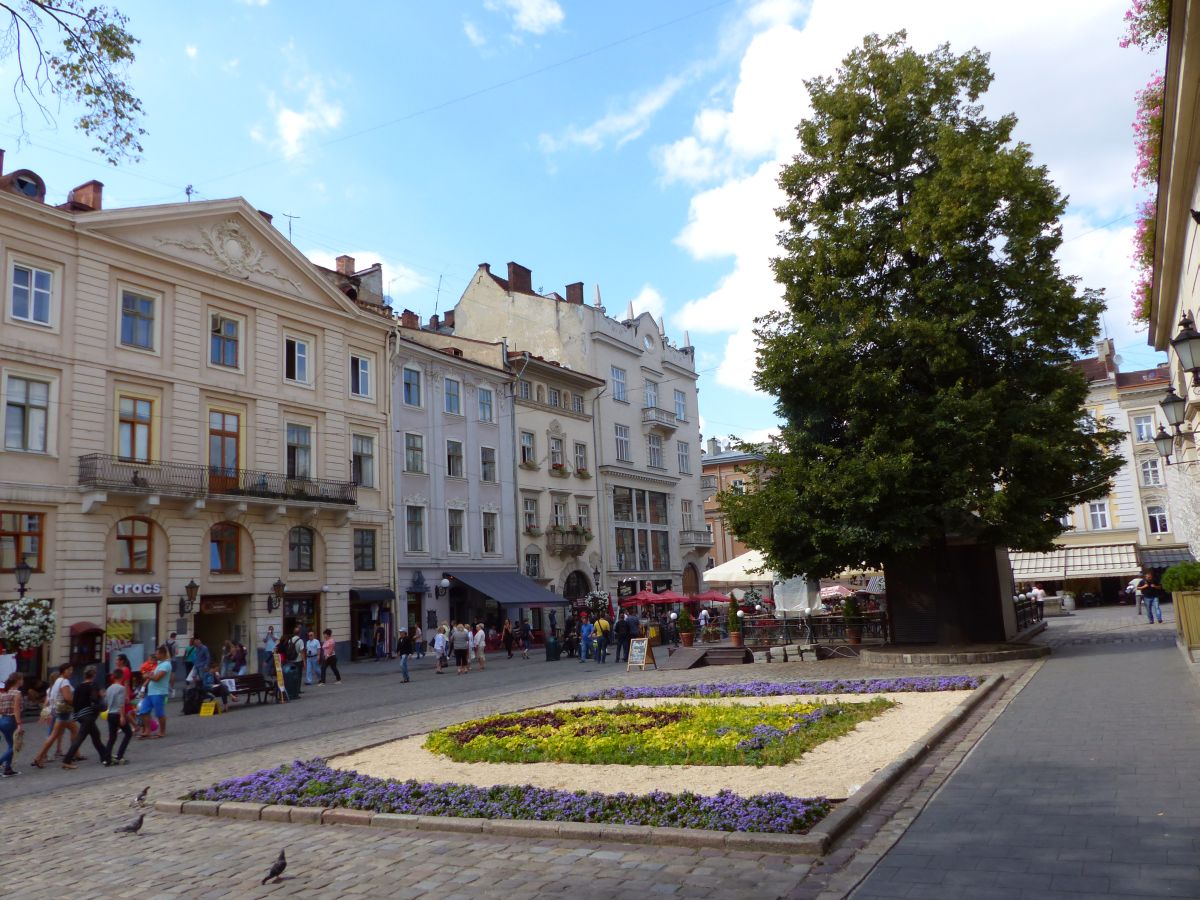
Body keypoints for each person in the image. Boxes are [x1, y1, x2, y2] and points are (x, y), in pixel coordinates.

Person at [61, 665, 110, 769]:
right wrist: (102, 696)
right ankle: (67, 760)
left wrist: (76, 714)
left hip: (80, 715)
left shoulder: (79, 686)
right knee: (80, 737)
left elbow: (74, 701)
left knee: (96, 735)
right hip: (88, 715)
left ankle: (105, 756)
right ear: (94, 674)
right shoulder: (93, 685)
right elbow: (95, 700)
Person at [32, 663, 77, 768]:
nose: (71, 672)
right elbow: (67, 698)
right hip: (64, 712)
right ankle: (69, 759)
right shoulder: (64, 681)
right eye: (69, 670)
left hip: (59, 711)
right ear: (64, 671)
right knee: (72, 732)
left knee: (56, 735)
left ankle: (39, 758)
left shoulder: (58, 681)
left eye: (72, 670)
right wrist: (77, 702)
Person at [138, 645, 172, 739]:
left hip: (159, 692)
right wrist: (146, 680)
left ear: (162, 654)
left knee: (159, 713)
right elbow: (152, 675)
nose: (155, 655)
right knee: (143, 711)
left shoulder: (166, 665)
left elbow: (157, 678)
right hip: (151, 692)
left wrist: (148, 676)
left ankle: (162, 731)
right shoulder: (159, 664)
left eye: (157, 653)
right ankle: (148, 730)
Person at [103, 671, 132, 765]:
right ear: (122, 677)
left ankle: (107, 758)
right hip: (117, 714)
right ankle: (120, 755)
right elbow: (121, 704)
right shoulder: (121, 688)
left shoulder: (109, 688)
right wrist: (122, 716)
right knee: (128, 733)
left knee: (112, 737)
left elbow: (106, 701)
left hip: (110, 713)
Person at [0, 672, 24, 777]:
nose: (23, 681)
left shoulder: (4, 693)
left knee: (11, 745)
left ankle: (8, 768)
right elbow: (16, 710)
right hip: (11, 720)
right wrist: (19, 724)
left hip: (3, 720)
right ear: (18, 680)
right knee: (15, 746)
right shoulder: (17, 693)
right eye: (22, 679)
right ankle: (2, 762)